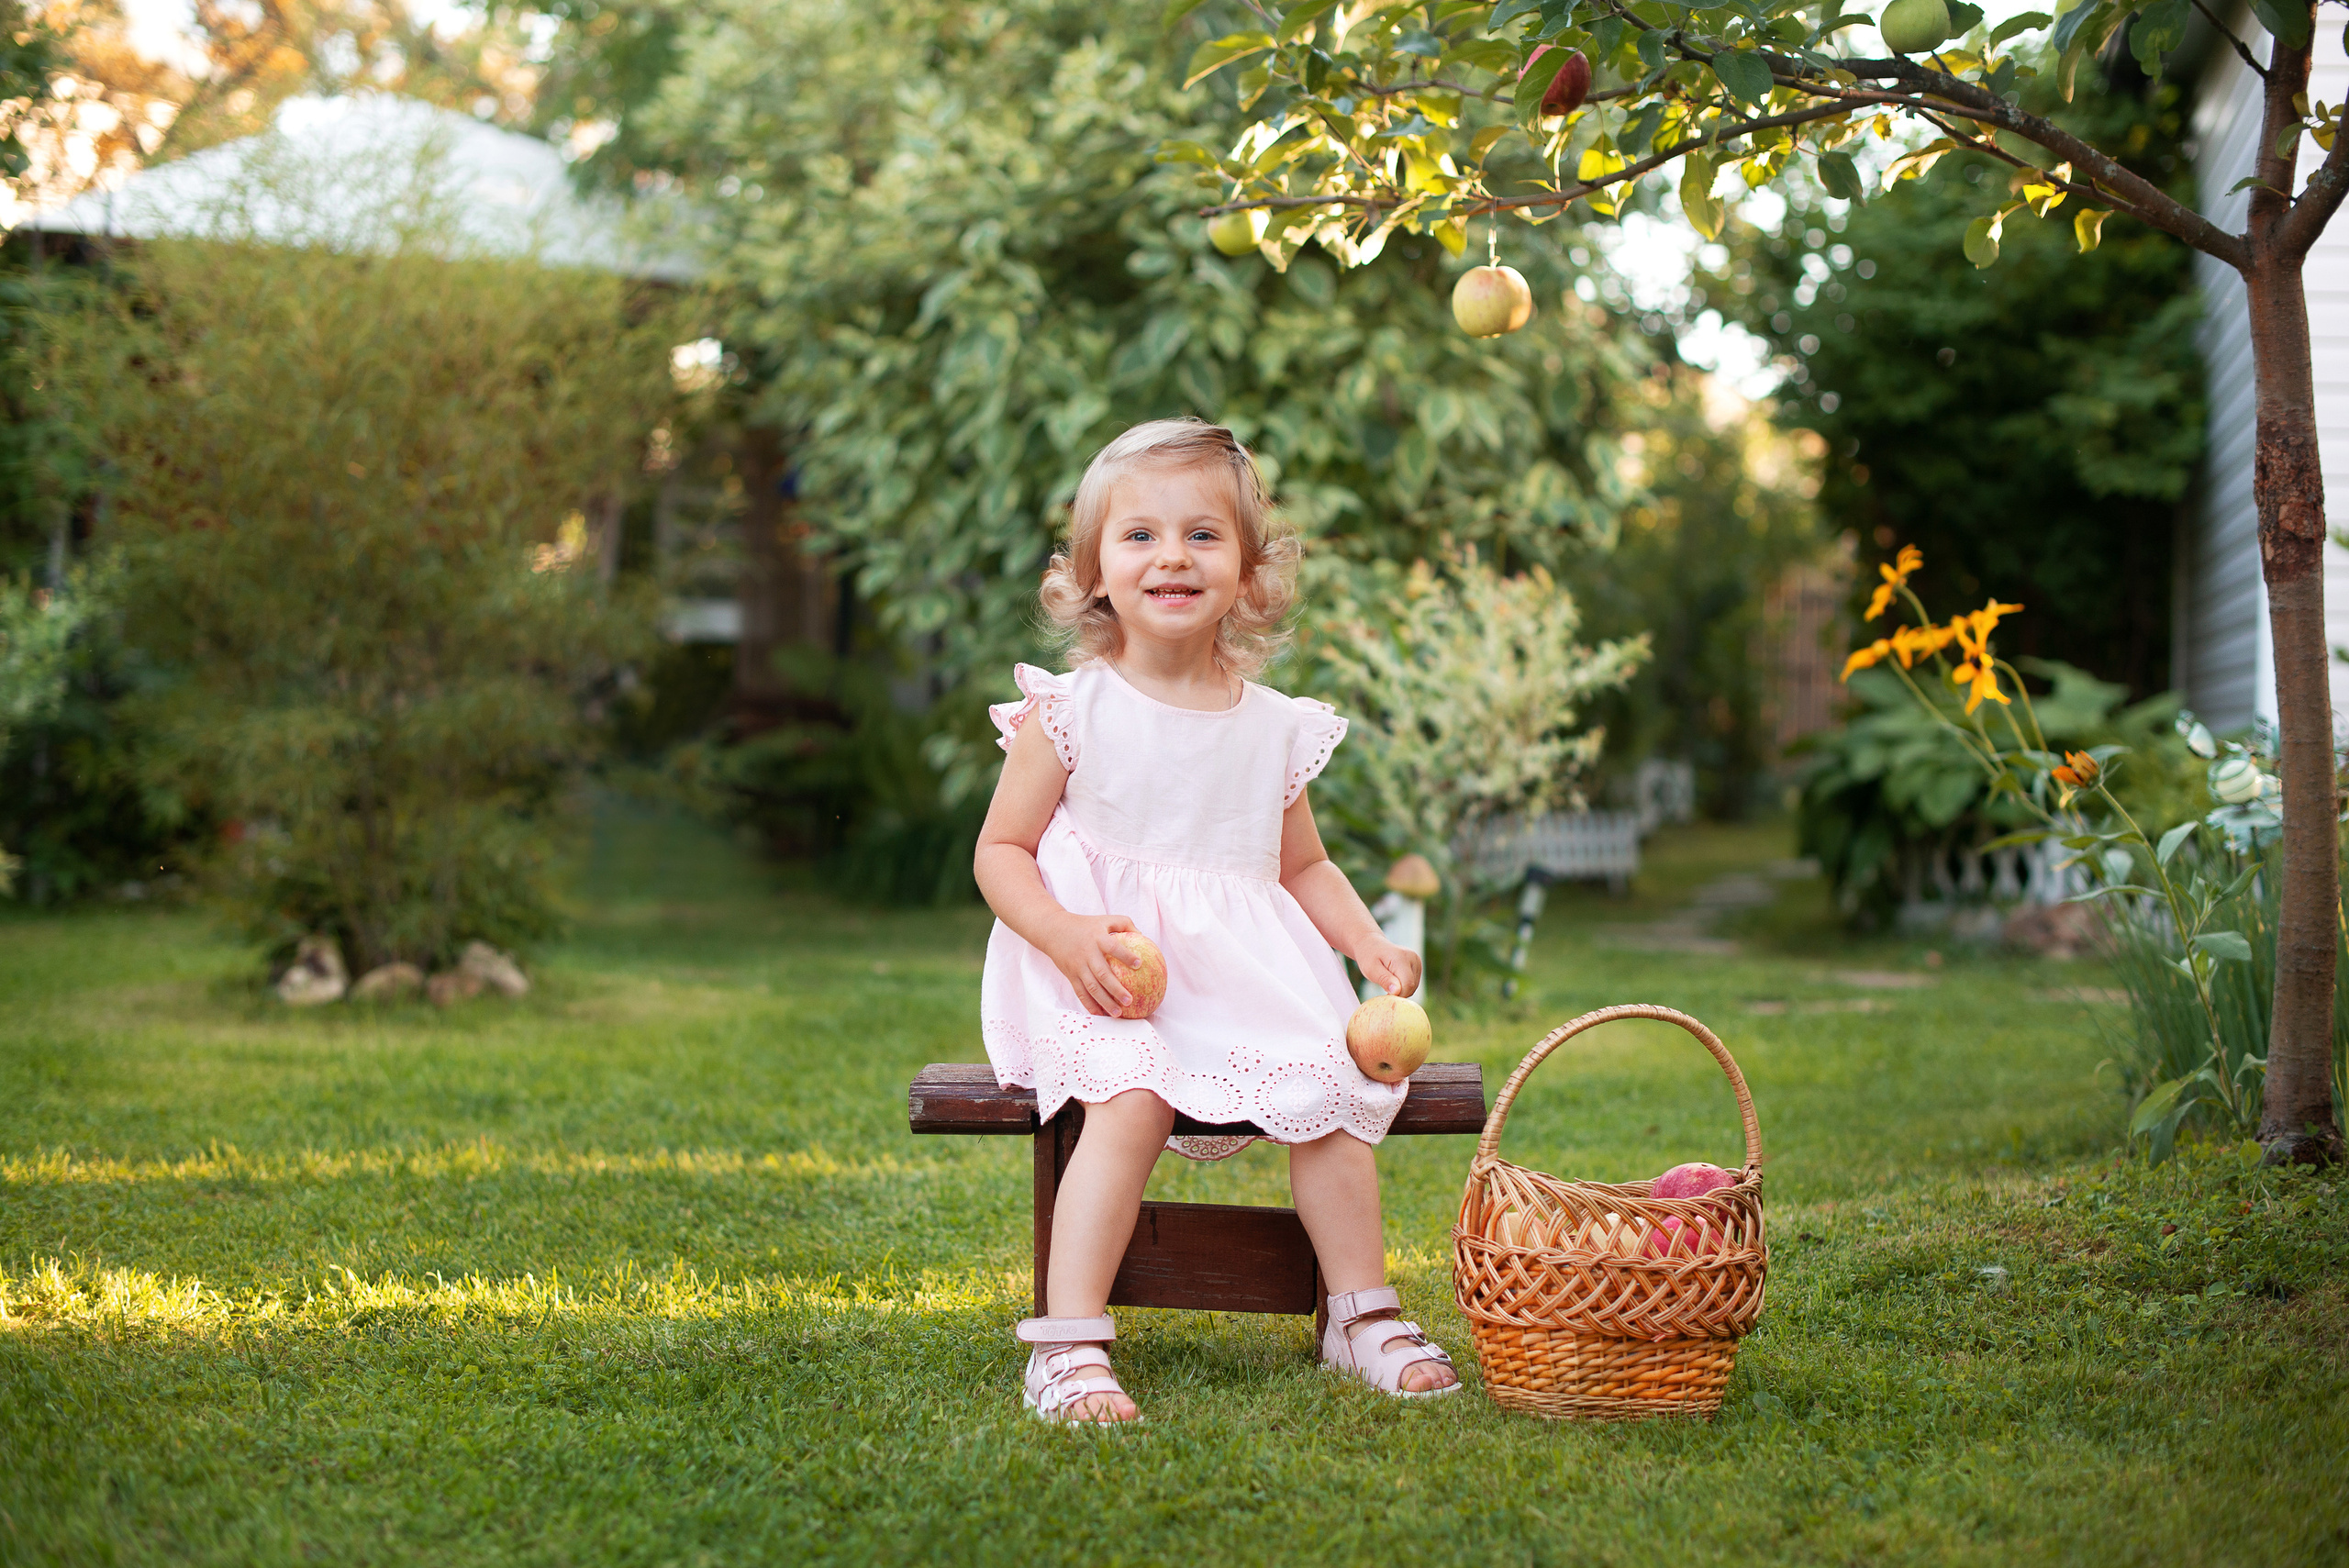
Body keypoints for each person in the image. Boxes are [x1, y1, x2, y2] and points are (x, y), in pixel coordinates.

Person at [974, 417, 1460, 1425]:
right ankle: (1065, 1343)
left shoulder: (1271, 726)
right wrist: (1065, 937)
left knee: (1330, 1087)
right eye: (1138, 535)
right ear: (1095, 569)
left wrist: (1363, 941)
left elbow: (1305, 863)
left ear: (1247, 571)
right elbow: (1001, 852)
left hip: (1240, 970)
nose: (1172, 556)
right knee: (1135, 1092)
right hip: (1104, 967)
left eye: (1203, 534)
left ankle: (1359, 1314)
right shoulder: (1071, 711)